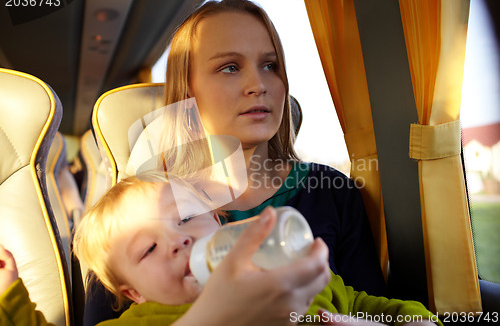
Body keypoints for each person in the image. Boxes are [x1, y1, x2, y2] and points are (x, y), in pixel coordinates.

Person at [160, 0, 386, 295]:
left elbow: (373, 308)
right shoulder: (149, 208)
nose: (258, 84)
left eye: (270, 65)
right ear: (187, 90)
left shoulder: (332, 192)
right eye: (229, 68)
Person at [0, 175, 440, 326]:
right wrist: (8, 295)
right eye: (150, 247)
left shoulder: (283, 271)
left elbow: (375, 306)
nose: (179, 240)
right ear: (133, 292)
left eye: (188, 218)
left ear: (219, 222)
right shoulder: (145, 320)